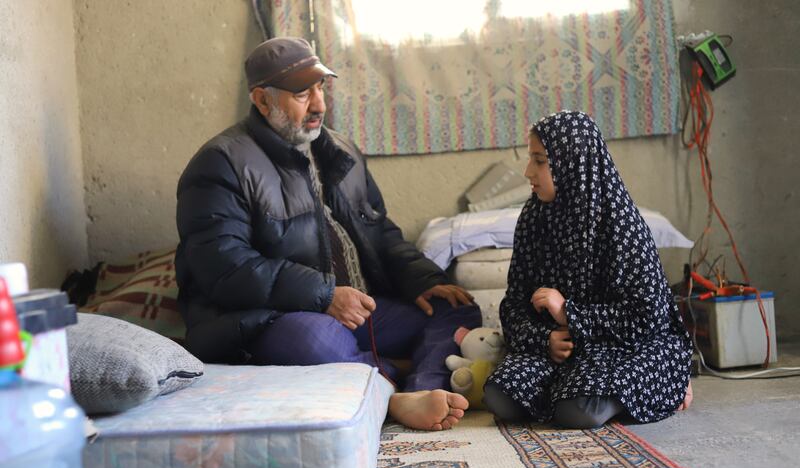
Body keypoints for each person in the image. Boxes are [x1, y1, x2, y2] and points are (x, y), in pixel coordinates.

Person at [174, 37, 481, 431]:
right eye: (302, 94)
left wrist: (421, 280)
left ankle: (415, 386)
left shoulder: (340, 150)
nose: (319, 104)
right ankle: (389, 387)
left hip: (361, 309)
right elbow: (224, 270)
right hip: (281, 317)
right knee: (314, 342)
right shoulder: (220, 164)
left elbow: (380, 231)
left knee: (455, 308)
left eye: (320, 88)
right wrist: (322, 296)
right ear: (262, 100)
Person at [483, 111, 693, 428]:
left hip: (623, 348)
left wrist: (569, 313)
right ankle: (573, 389)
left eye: (539, 161)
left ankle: (665, 380)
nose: (528, 172)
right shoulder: (533, 217)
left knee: (578, 410)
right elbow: (513, 304)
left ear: (573, 162)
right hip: (559, 353)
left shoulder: (621, 224)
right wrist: (546, 339)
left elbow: (644, 318)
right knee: (501, 395)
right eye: (531, 159)